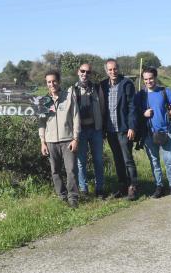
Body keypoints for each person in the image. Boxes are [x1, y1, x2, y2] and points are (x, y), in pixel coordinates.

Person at [135, 67, 171, 199]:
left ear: (155, 78)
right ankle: (159, 187)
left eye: (151, 78)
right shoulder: (140, 95)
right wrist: (143, 113)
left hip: (166, 132)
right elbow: (134, 112)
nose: (148, 81)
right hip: (148, 134)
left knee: (169, 161)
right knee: (154, 162)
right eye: (145, 79)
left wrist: (170, 113)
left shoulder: (164, 92)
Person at [39, 70, 81, 208]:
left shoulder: (69, 97)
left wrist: (75, 139)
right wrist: (43, 142)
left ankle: (73, 198)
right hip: (51, 141)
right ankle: (61, 196)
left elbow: (76, 118)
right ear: (46, 84)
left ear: (59, 81)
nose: (52, 84)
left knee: (71, 170)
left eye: (54, 81)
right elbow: (42, 123)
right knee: (55, 171)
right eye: (49, 82)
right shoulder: (44, 101)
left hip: (68, 140)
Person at [101, 59, 138, 200]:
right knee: (117, 159)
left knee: (127, 158)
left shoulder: (126, 83)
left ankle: (133, 186)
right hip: (110, 130)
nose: (113, 72)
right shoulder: (103, 85)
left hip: (124, 129)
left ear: (118, 68)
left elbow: (132, 107)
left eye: (115, 69)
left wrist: (132, 127)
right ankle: (122, 186)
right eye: (110, 70)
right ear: (106, 71)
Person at [73, 63, 106, 198]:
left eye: (88, 72)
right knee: (81, 162)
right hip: (80, 131)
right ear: (78, 72)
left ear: (91, 74)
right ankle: (83, 189)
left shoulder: (97, 89)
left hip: (95, 130)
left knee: (98, 160)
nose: (85, 74)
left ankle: (100, 189)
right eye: (82, 71)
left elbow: (103, 109)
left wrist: (102, 128)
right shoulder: (72, 90)